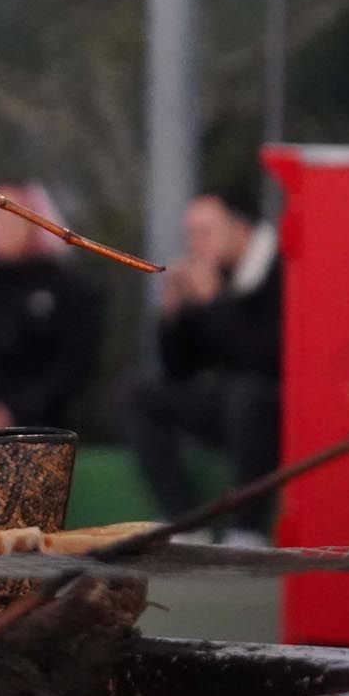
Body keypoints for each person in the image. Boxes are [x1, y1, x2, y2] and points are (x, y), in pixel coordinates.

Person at [124, 191, 281, 547]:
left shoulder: (281, 270)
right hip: (226, 404)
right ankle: (184, 519)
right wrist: (173, 315)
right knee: (137, 395)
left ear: (240, 229)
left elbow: (265, 359)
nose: (195, 244)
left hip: (273, 406)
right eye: (190, 234)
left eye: (205, 232)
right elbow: (178, 368)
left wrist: (214, 301)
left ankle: (247, 529)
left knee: (248, 396)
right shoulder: (210, 274)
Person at [0, 185, 105, 430]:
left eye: (17, 218)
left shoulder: (67, 286)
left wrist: (17, 410)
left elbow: (75, 362)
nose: (7, 227)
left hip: (44, 421)